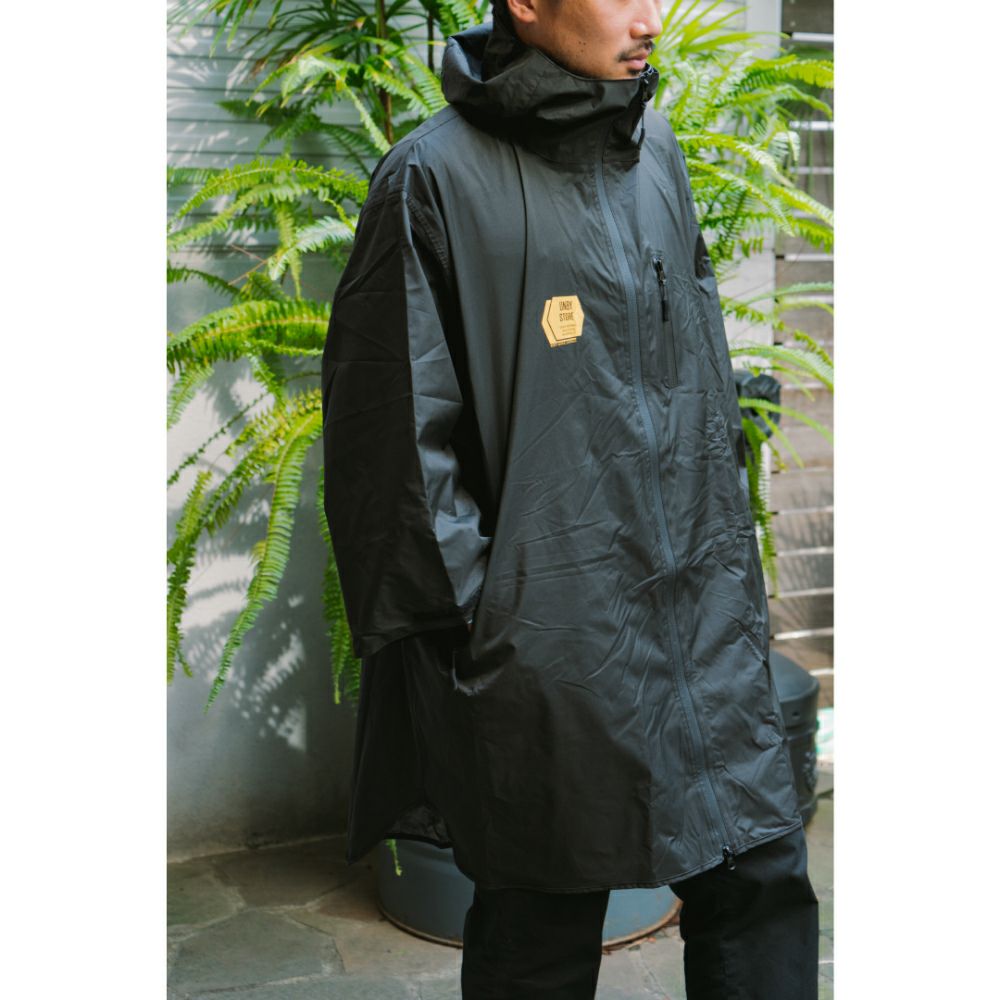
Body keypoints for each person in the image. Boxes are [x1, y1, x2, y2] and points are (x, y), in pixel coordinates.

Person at [321, 1, 820, 997]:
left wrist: (725, 567)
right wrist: (495, 630)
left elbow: (698, 377)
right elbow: (393, 457)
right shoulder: (431, 179)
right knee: (539, 933)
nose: (649, 18)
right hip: (548, 651)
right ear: (525, 4)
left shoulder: (654, 151)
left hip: (701, 629)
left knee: (761, 884)